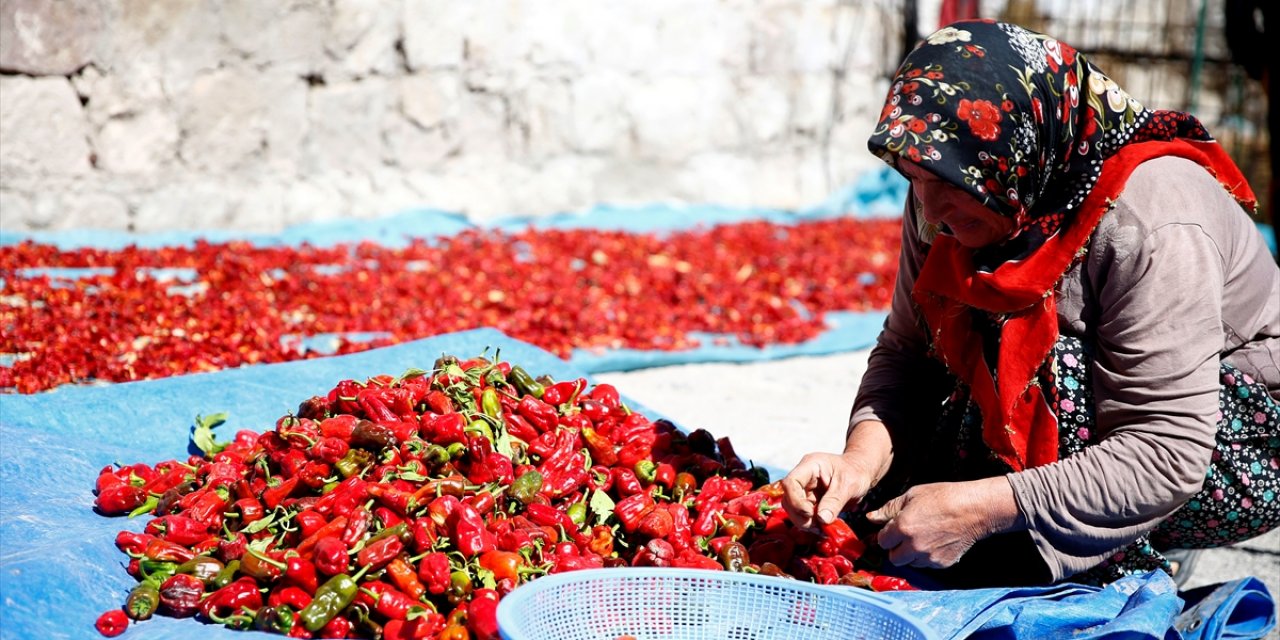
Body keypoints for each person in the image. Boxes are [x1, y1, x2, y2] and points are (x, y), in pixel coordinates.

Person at [782, 19, 1280, 588]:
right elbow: (907, 354)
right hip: (1117, 442)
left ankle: (1106, 549)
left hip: (1233, 446)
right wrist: (858, 462)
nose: (931, 208)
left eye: (951, 181)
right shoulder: (941, 196)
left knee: (1045, 359)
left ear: (1019, 152)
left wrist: (983, 508)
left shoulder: (1151, 221)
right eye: (914, 177)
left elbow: (1166, 450)